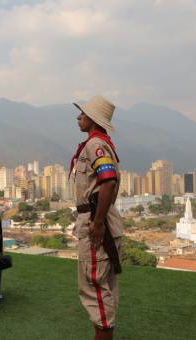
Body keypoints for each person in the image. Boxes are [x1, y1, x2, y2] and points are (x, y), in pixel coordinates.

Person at [69, 96, 123, 340]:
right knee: (102, 288)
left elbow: (108, 181)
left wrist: (97, 222)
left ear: (93, 119)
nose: (78, 117)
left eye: (82, 113)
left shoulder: (96, 145)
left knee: (95, 288)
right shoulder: (96, 144)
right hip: (95, 216)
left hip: (95, 219)